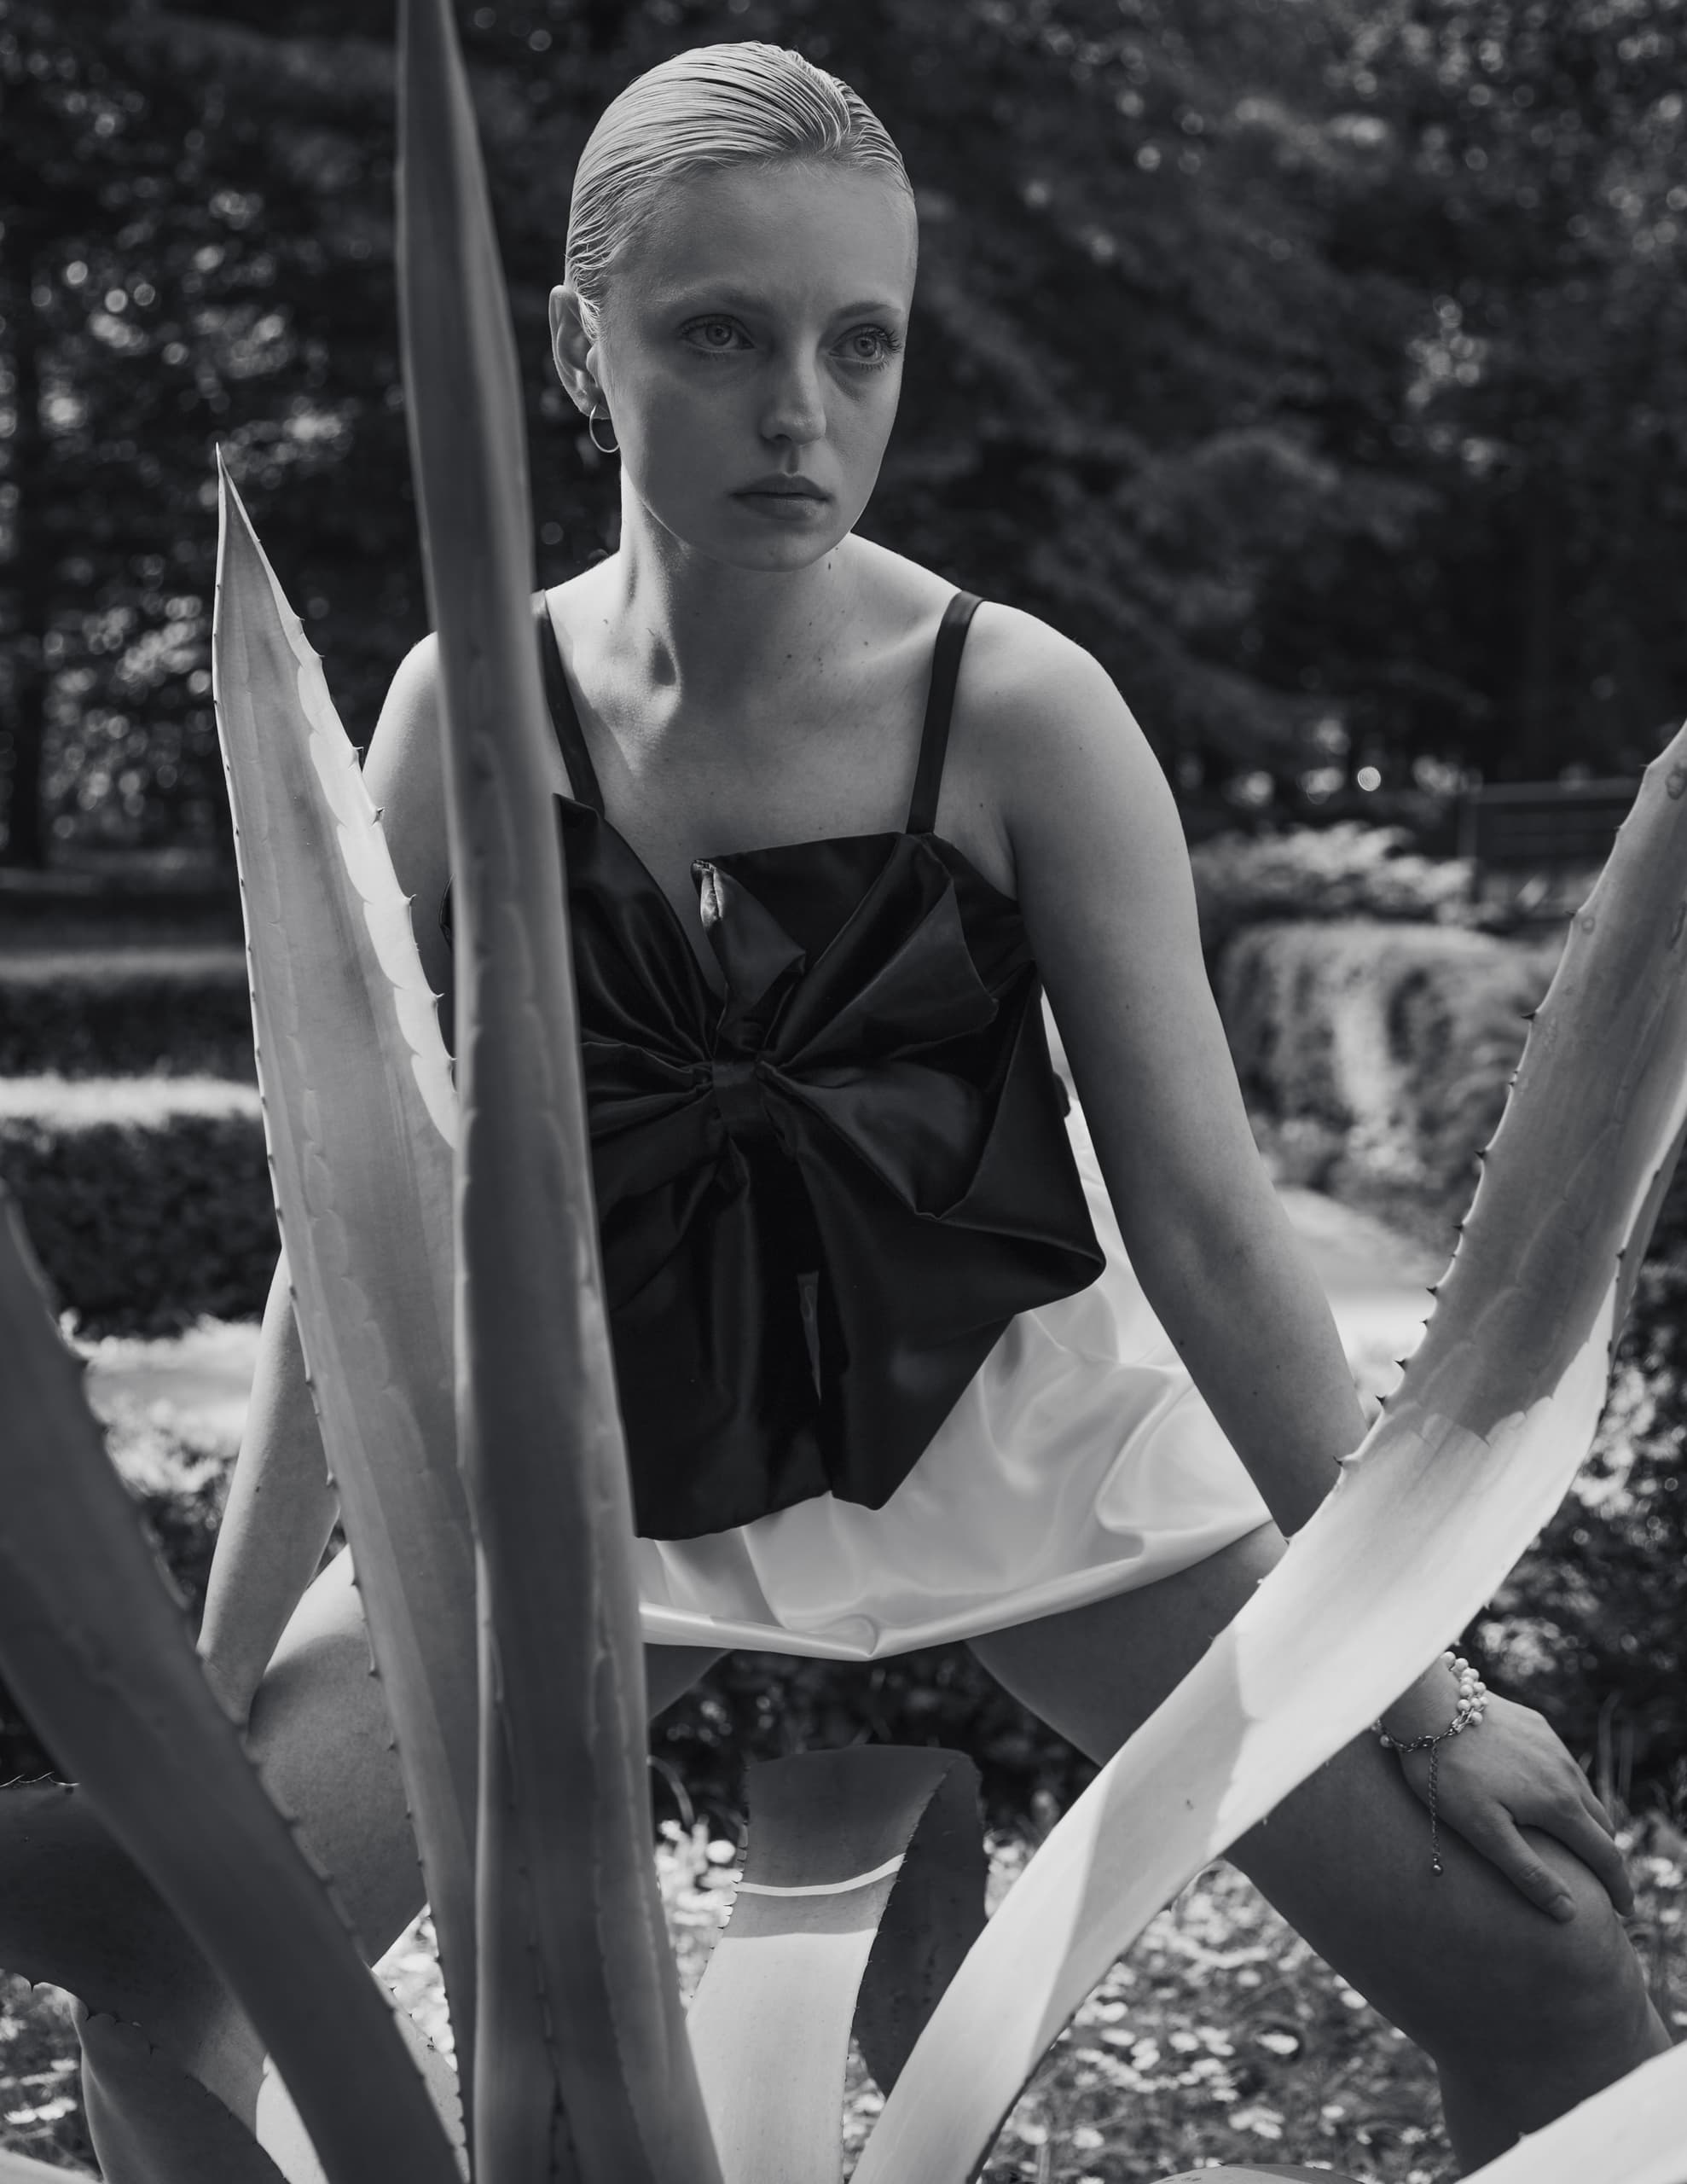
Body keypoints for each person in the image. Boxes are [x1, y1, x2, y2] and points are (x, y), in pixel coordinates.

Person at [79, 38, 1667, 2178]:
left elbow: (1206, 1229)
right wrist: (216, 1671)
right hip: (600, 1509)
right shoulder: (463, 708)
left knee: (1556, 1959)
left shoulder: (1021, 710)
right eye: (718, 336)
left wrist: (1426, 1679)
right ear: (575, 345)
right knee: (171, 1978)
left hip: (1037, 1467)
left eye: (859, 343)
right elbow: (340, 1232)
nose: (798, 412)